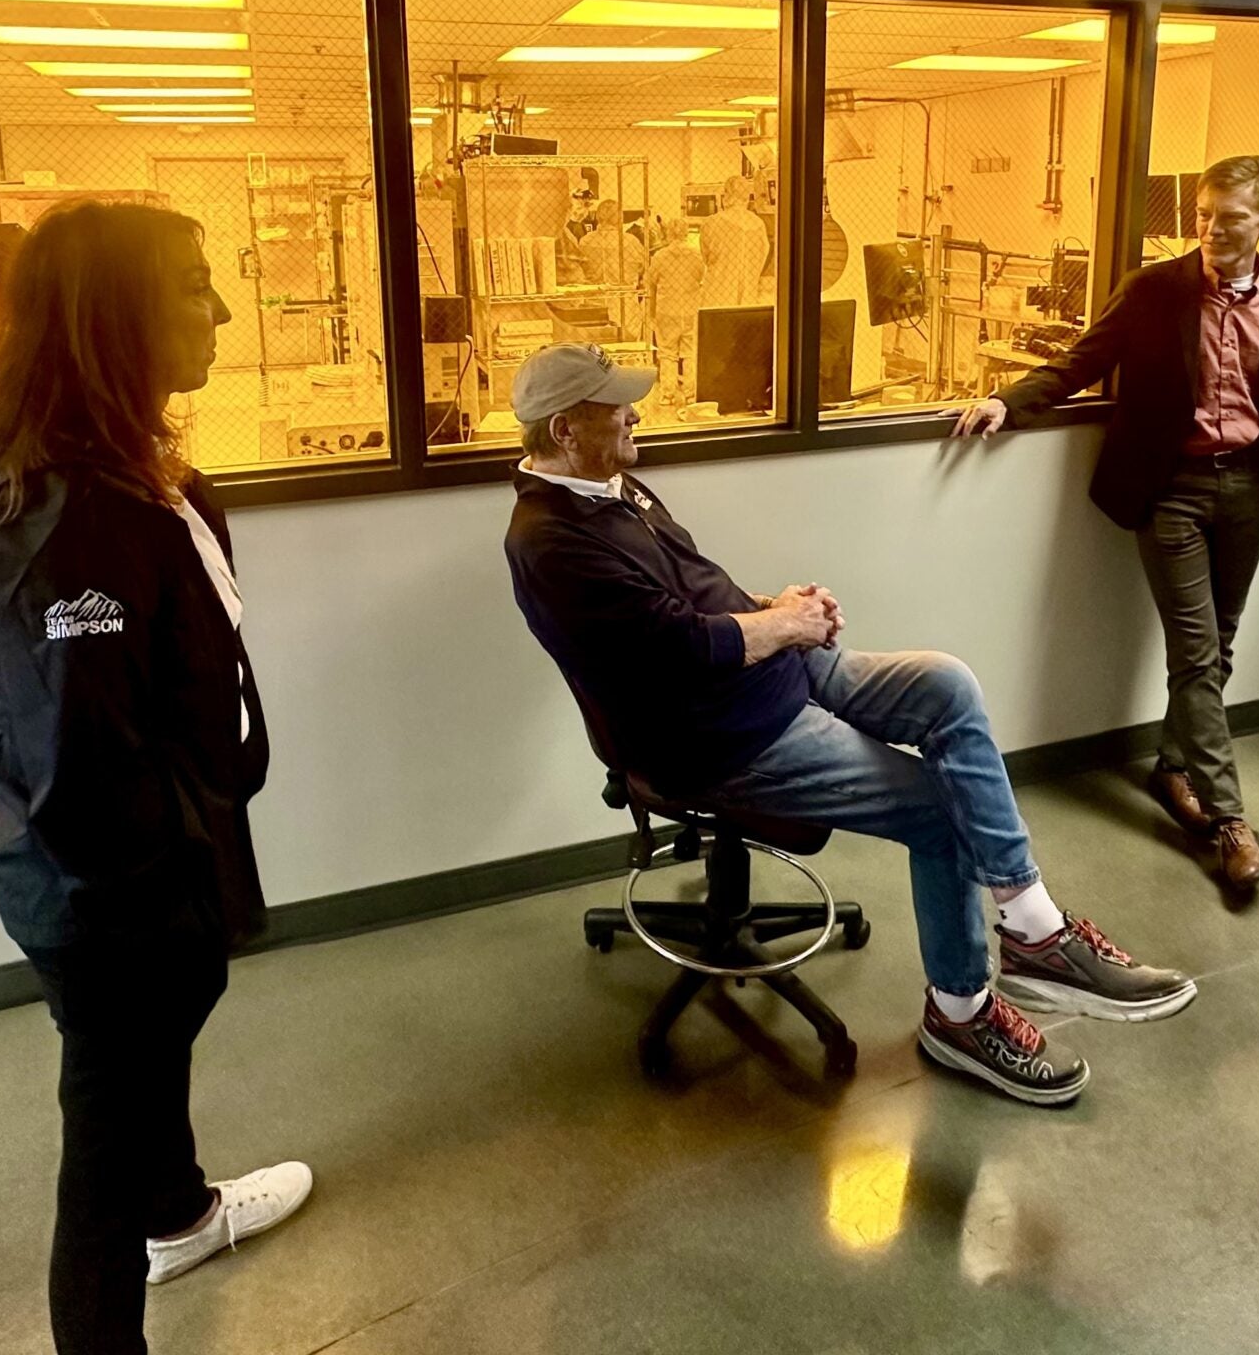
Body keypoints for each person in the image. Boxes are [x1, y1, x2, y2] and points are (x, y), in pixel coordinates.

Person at [503, 342, 1195, 1111]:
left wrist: (772, 606)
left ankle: (1032, 924)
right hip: (724, 738)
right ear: (566, 430)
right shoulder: (552, 542)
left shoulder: (612, 486)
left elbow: (695, 599)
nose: (637, 413)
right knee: (938, 811)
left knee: (947, 683)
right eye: (617, 406)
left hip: (767, 676)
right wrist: (784, 627)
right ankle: (961, 1015)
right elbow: (683, 647)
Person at [0, 201, 310, 1355]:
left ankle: (182, 1210)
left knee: (147, 1073)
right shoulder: (70, 522)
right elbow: (79, 770)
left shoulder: (130, 474)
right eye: (196, 285)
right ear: (115, 318)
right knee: (101, 1140)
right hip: (111, 897)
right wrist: (166, 891)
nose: (223, 310)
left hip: (149, 866)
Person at [952, 154, 1259, 894]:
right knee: (1196, 647)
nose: (1213, 229)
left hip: (1252, 487)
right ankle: (1229, 821)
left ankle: (1175, 767)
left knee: (1220, 640)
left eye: (1231, 218)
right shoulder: (1156, 290)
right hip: (1171, 490)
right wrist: (1010, 401)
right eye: (1203, 216)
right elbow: (1083, 359)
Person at [643, 220, 706, 399]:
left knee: (667, 353)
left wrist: (651, 312)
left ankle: (667, 394)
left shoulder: (660, 256)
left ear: (667, 234)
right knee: (689, 352)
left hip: (667, 309)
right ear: (686, 233)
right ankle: (690, 393)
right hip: (690, 309)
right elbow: (702, 278)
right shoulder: (696, 256)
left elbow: (651, 283)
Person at [699, 174, 772, 311]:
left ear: (726, 194)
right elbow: (763, 256)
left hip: (717, 297)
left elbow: (706, 258)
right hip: (748, 299)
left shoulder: (711, 223)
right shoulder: (758, 224)